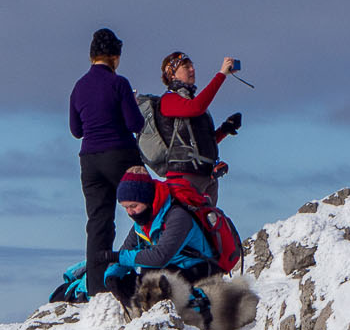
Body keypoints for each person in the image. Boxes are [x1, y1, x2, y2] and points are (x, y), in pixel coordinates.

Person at [69, 28, 144, 297]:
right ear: (115, 56)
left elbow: (76, 130)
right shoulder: (119, 83)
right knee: (145, 210)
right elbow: (136, 123)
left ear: (92, 56)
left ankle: (97, 289)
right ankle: (149, 272)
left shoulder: (79, 87)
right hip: (119, 153)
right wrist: (132, 104)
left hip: (89, 159)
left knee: (98, 223)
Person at [105, 166, 225, 291]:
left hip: (201, 271)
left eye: (133, 206)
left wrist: (116, 256)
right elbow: (127, 249)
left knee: (149, 274)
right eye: (125, 208)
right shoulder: (143, 223)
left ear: (146, 199)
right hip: (174, 270)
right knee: (137, 278)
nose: (130, 212)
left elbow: (160, 257)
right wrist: (112, 275)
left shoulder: (178, 216)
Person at [157, 52, 243, 201]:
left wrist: (224, 130)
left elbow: (198, 143)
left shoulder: (190, 101)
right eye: (186, 67)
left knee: (208, 223)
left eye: (192, 66)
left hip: (206, 175)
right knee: (188, 221)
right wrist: (221, 74)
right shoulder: (168, 100)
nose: (192, 70)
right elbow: (196, 108)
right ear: (172, 75)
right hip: (184, 177)